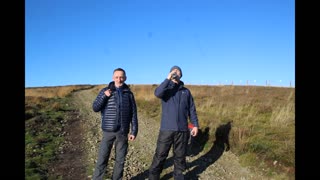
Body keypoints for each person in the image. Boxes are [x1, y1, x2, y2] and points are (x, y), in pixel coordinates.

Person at [149, 65, 199, 180]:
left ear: (181, 75)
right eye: (173, 71)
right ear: (170, 74)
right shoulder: (166, 89)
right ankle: (153, 177)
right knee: (160, 155)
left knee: (180, 157)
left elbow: (192, 109)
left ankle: (179, 177)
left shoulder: (186, 92)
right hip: (167, 129)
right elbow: (157, 93)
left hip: (182, 130)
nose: (176, 73)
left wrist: (195, 125)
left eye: (178, 71)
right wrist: (168, 79)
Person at [92, 68, 138, 180]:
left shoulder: (129, 94)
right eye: (117, 77)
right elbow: (95, 108)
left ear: (125, 78)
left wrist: (133, 131)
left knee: (120, 160)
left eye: (121, 77)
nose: (119, 79)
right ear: (113, 78)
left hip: (122, 132)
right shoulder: (105, 91)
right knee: (102, 158)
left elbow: (133, 114)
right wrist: (104, 96)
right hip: (108, 131)